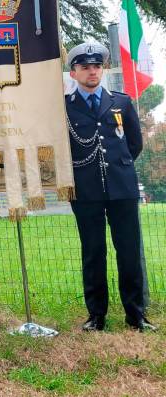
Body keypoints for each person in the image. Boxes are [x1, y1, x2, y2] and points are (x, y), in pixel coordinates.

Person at [65, 41, 156, 332]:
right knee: (93, 251)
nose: (92, 71)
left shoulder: (121, 102)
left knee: (128, 250)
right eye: (85, 67)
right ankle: (96, 315)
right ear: (73, 72)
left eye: (97, 66)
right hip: (86, 190)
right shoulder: (65, 108)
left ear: (102, 69)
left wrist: (120, 169)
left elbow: (134, 144)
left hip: (122, 188)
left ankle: (136, 314)